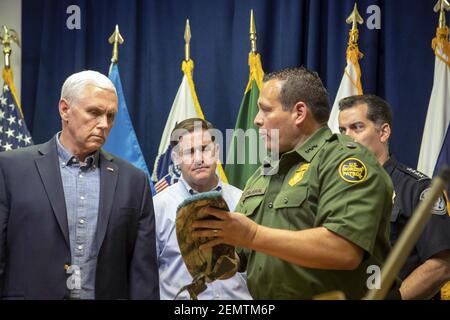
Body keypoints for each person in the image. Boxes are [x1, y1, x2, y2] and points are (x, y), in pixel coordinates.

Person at [191, 67, 393, 300]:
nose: (256, 120)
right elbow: (242, 257)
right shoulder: (265, 171)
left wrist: (252, 235)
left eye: (265, 110)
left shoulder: (346, 161)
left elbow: (344, 250)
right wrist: (214, 250)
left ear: (299, 113)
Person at [0, 70, 159, 299]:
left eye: (111, 116)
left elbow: (143, 273)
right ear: (65, 109)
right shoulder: (10, 169)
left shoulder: (134, 181)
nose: (104, 124)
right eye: (94, 112)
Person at [338, 94, 450, 300]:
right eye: (342, 130)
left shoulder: (416, 189)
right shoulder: (335, 190)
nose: (347, 138)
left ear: (384, 132)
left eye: (357, 127)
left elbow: (441, 265)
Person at [154, 118, 252, 300]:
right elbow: (145, 272)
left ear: (216, 152)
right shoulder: (158, 207)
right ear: (176, 158)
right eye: (190, 152)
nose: (199, 158)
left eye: (205, 149)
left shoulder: (243, 201)